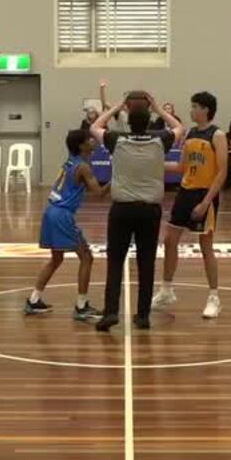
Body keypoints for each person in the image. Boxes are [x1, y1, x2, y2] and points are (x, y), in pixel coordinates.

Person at [90, 94, 182, 332]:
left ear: (129, 121)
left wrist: (118, 107)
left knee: (115, 261)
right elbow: (179, 127)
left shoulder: (116, 139)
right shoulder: (160, 139)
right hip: (150, 211)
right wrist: (159, 108)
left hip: (121, 209)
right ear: (149, 119)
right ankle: (142, 316)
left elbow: (94, 126)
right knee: (146, 262)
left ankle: (111, 312)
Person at [156, 91, 228, 319]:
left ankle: (214, 298)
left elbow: (222, 173)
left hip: (205, 195)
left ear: (206, 109)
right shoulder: (189, 133)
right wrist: (153, 162)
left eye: (195, 106)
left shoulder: (217, 135)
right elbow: (180, 168)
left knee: (206, 248)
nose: (191, 110)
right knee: (169, 241)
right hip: (185, 193)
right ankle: (167, 290)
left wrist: (206, 202)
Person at [26, 129, 107, 320]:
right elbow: (99, 194)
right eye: (90, 139)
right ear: (82, 145)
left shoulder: (70, 161)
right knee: (86, 257)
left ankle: (34, 300)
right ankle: (81, 306)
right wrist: (118, 178)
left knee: (56, 259)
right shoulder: (83, 167)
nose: (93, 141)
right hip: (62, 215)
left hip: (51, 211)